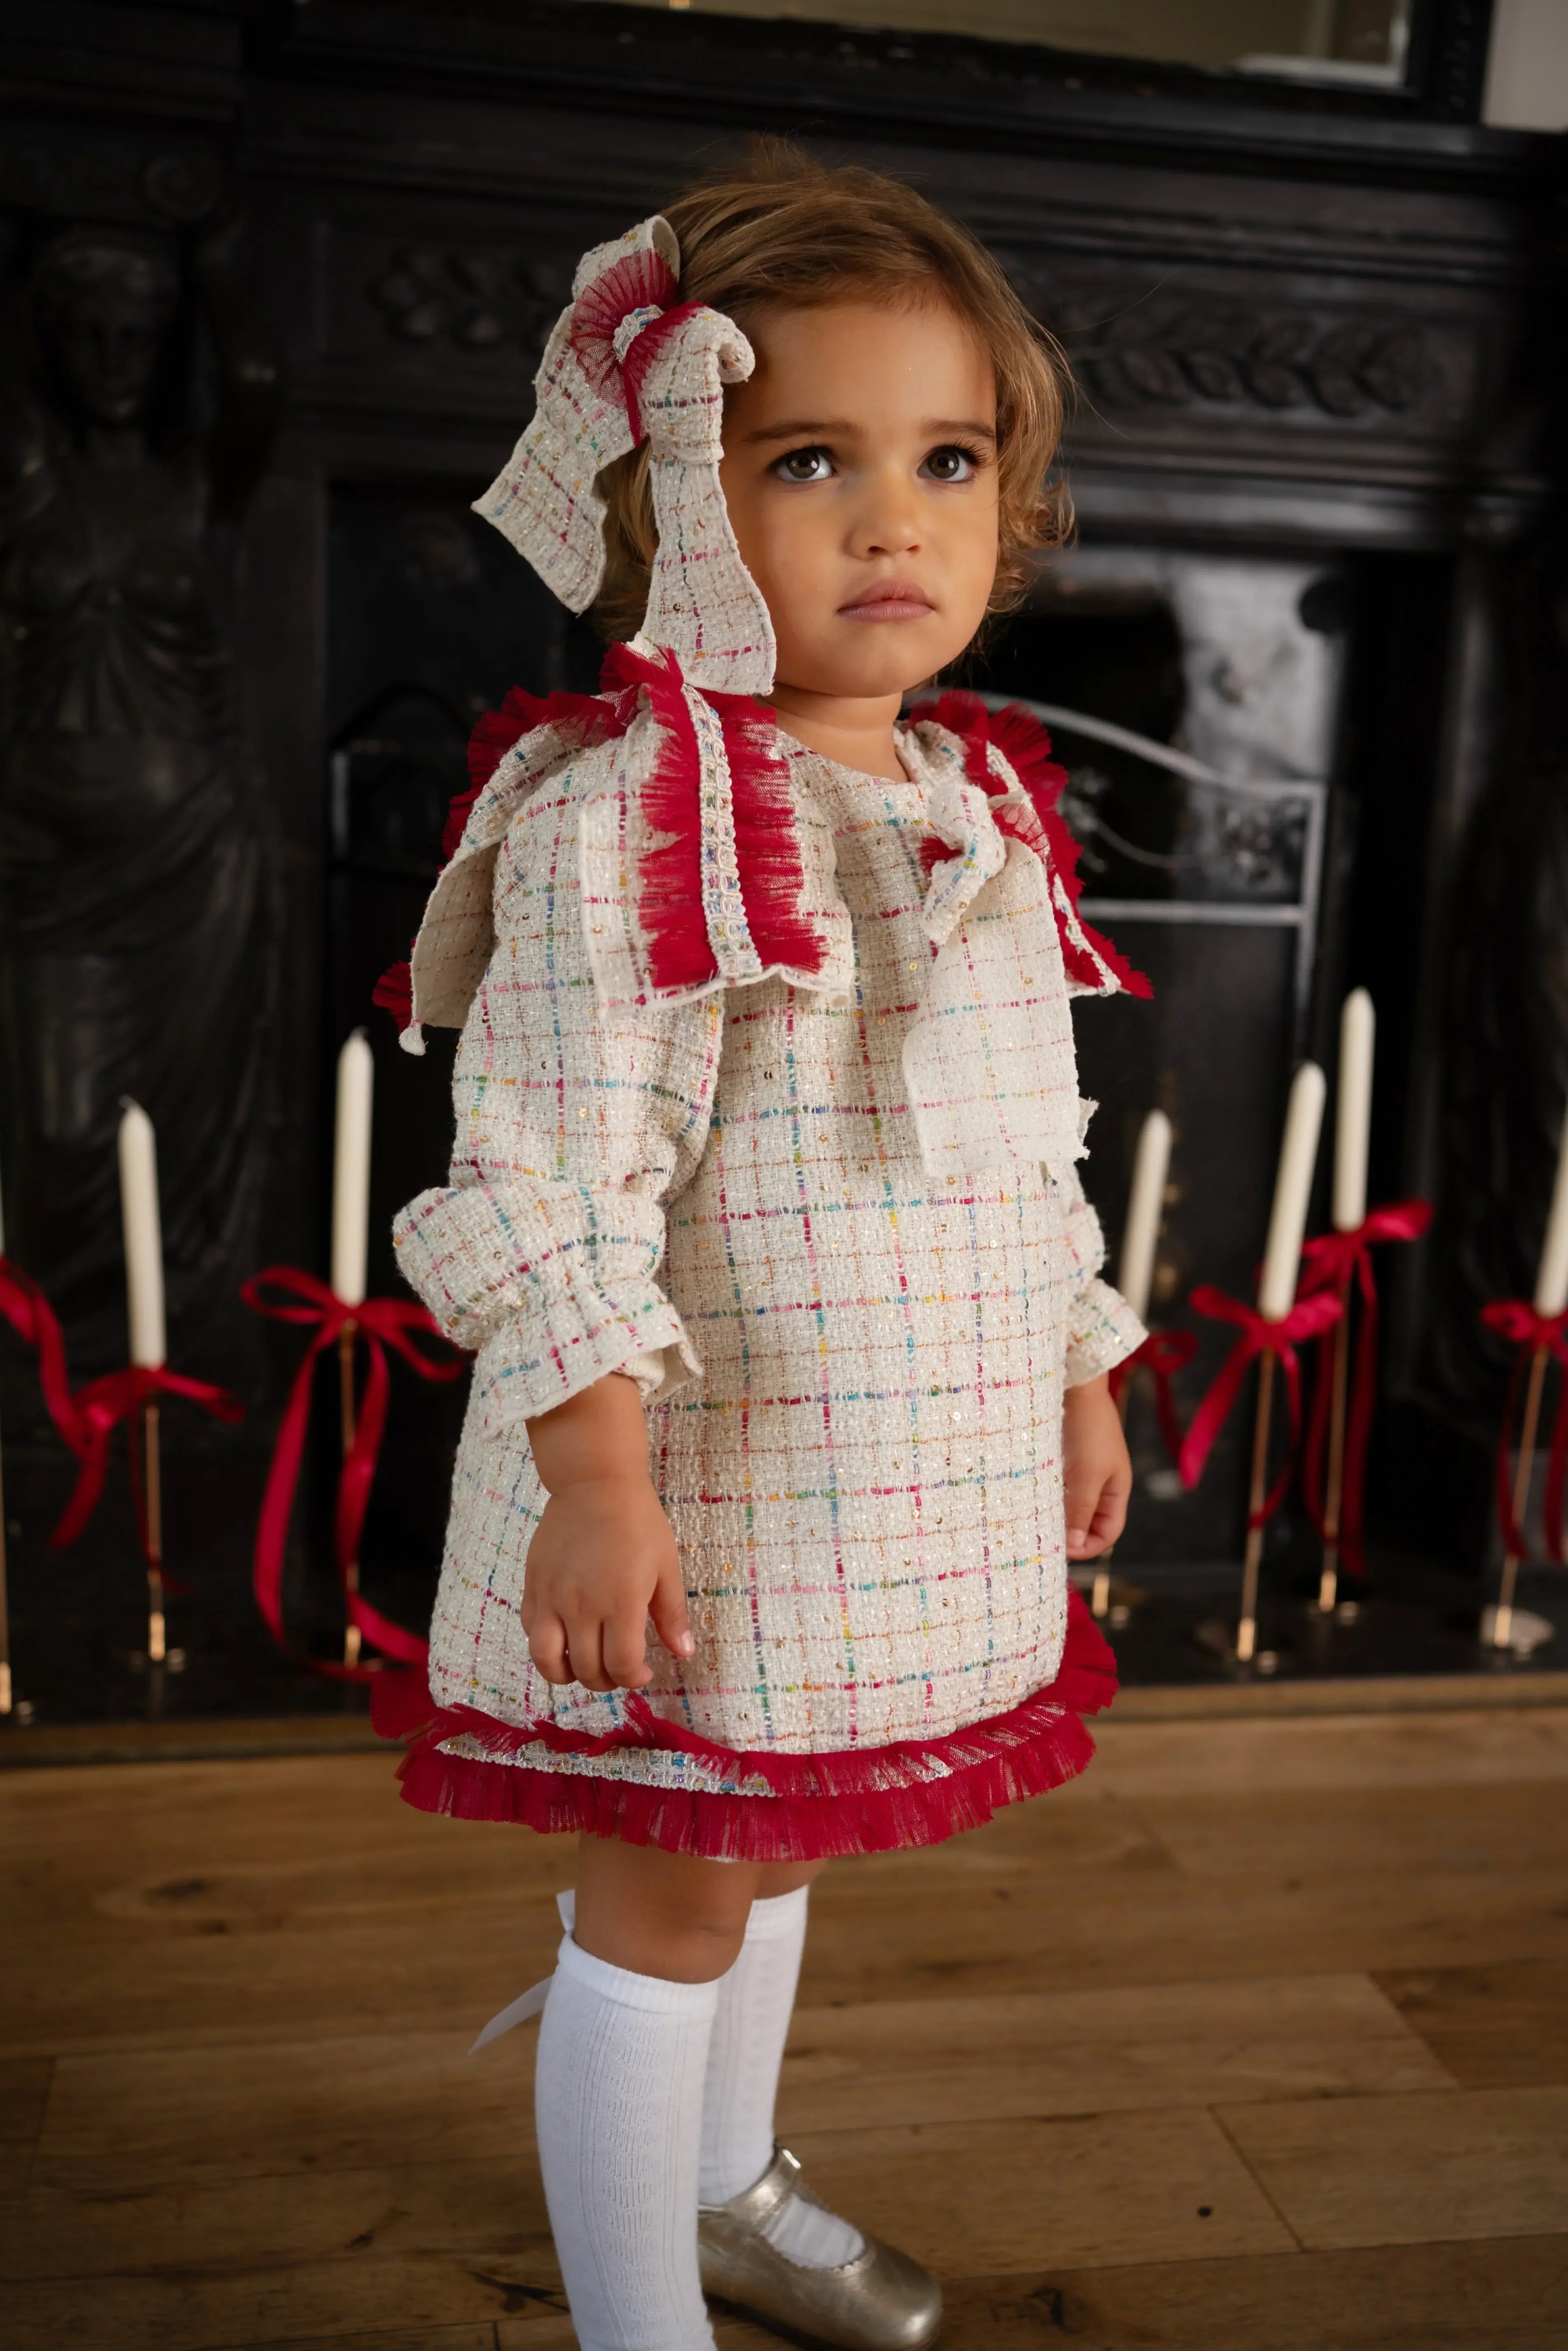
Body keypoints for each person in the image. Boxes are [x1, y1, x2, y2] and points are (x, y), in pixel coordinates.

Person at [375, 148, 1147, 2351]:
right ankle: (642, 2323)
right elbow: (544, 1167)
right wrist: (595, 1475)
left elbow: (1020, 1141)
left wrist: (1074, 1354)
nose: (891, 519)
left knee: (774, 1841)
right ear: (658, 511)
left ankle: (723, 2183)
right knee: (670, 1882)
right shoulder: (626, 819)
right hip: (690, 1485)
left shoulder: (972, 803)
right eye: (806, 459)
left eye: (944, 460)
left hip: (880, 1478)